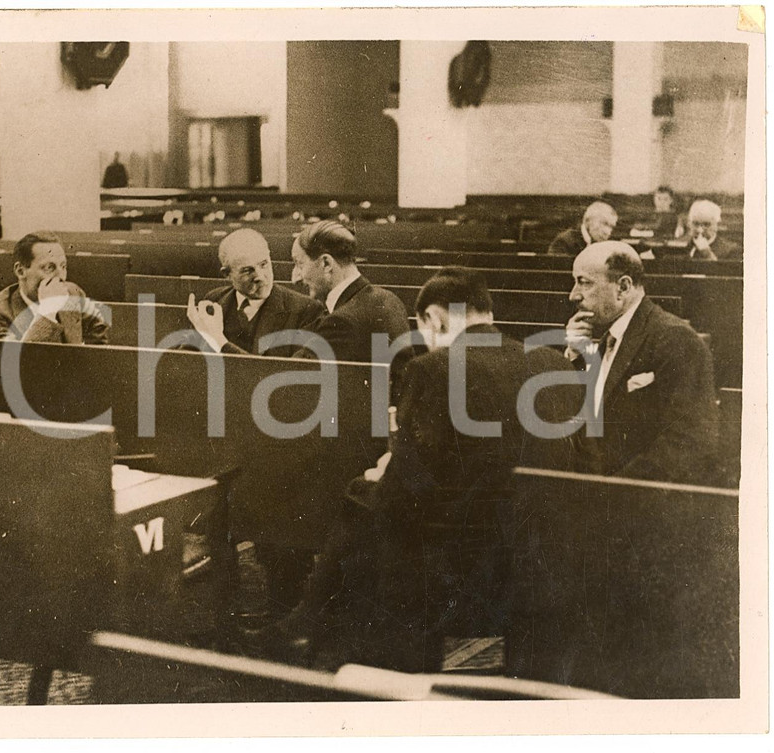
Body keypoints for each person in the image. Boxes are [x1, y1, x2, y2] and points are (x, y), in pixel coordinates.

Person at [262, 268, 583, 670]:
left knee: (361, 496)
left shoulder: (433, 370)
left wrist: (385, 472)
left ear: (435, 319)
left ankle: (316, 630)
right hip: (541, 559)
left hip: (466, 568)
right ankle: (312, 626)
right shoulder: (554, 363)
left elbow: (406, 492)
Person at [564, 241, 719, 483]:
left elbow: (688, 441)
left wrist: (610, 495)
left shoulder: (676, 339)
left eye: (584, 282)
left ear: (623, 287)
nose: (573, 295)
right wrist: (577, 355)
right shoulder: (608, 337)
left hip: (634, 498)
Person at [188, 220, 409, 364]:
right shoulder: (388, 299)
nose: (295, 277)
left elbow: (278, 381)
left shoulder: (341, 322)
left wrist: (216, 338)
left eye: (299, 264)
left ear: (326, 264)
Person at [184, 228, 324, 357]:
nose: (260, 277)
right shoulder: (215, 300)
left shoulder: (307, 310)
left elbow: (288, 375)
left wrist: (219, 342)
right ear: (227, 274)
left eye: (264, 264)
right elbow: (182, 360)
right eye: (247, 270)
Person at [0, 231, 111, 345]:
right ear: (21, 271)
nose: (61, 277)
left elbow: (98, 344)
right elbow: (18, 364)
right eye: (49, 268)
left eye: (63, 266)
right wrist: (47, 312)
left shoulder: (73, 292)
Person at [676, 199, 742, 260]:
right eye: (696, 224)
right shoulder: (678, 247)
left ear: (717, 225)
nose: (700, 230)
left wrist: (708, 254)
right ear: (689, 224)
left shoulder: (731, 250)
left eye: (706, 225)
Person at [548, 201, 617, 256]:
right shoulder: (563, 242)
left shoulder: (606, 245)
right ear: (588, 220)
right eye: (604, 223)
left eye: (611, 227)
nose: (608, 232)